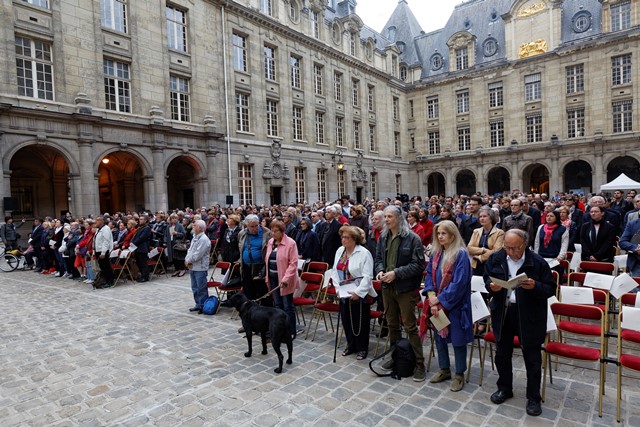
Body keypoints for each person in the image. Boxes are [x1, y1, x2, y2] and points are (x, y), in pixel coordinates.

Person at [484, 229, 557, 417]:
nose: (510, 251)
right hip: (504, 311)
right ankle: (504, 387)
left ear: (524, 244)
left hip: (529, 314)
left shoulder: (537, 262)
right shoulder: (498, 257)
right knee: (502, 353)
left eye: (514, 248)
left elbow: (550, 288)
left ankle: (533, 397)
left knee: (532, 358)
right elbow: (487, 277)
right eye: (507, 247)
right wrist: (491, 287)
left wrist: (535, 286)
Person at [375, 205, 427, 382]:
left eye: (389, 216)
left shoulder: (412, 239)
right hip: (387, 288)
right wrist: (380, 271)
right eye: (385, 217)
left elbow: (419, 265)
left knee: (410, 326)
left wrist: (396, 273)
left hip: (405, 289)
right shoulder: (383, 237)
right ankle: (396, 356)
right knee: (392, 324)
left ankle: (419, 363)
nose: (386, 220)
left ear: (398, 218)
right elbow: (379, 259)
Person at [420, 221, 473, 391]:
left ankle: (459, 373)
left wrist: (440, 300)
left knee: (458, 340)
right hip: (437, 304)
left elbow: (459, 283)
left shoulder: (461, 254)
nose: (440, 237)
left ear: (452, 235)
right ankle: (444, 369)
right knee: (439, 337)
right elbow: (429, 275)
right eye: (438, 234)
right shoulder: (436, 253)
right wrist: (431, 296)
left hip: (456, 305)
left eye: (444, 233)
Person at [333, 225, 377, 360]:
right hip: (344, 292)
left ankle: (362, 348)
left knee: (360, 322)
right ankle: (350, 345)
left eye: (346, 237)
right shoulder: (340, 251)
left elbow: (368, 276)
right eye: (342, 237)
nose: (343, 240)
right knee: (346, 320)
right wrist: (337, 289)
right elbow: (335, 270)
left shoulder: (364, 253)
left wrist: (358, 292)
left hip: (359, 293)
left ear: (354, 239)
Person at [265, 220, 299, 338]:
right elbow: (268, 260)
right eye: (272, 231)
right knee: (278, 305)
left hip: (285, 280)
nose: (273, 234)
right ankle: (280, 329)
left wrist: (285, 279)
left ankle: (291, 331)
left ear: (282, 231)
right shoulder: (270, 242)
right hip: (273, 277)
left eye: (276, 231)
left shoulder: (290, 243)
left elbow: (293, 263)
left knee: (287, 306)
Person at [238, 214, 271, 302]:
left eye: (256, 225)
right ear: (247, 225)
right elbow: (240, 247)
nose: (255, 228)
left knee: (262, 291)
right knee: (248, 290)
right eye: (252, 226)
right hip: (246, 266)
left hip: (260, 267)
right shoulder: (242, 233)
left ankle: (264, 311)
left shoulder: (266, 233)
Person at [467, 207, 505, 276]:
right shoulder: (476, 231)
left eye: (484, 216)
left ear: (491, 218)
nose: (482, 218)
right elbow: (469, 248)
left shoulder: (499, 233)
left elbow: (496, 251)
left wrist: (480, 258)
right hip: (476, 266)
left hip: (492, 265)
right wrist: (483, 250)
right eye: (480, 216)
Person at [185, 220, 211, 313]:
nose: (193, 227)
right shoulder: (195, 237)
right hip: (192, 266)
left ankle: (203, 305)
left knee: (201, 288)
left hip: (200, 267)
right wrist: (187, 259)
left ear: (200, 227)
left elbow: (198, 254)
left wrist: (189, 260)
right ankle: (198, 304)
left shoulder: (204, 239)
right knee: (195, 287)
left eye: (194, 225)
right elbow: (190, 250)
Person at [94, 216, 115, 288]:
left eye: (97, 220)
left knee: (106, 267)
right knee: (102, 267)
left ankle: (110, 281)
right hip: (98, 250)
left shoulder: (106, 229)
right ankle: (104, 280)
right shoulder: (98, 229)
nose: (95, 222)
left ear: (102, 221)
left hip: (103, 251)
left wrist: (103, 252)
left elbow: (106, 241)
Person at [131, 215, 152, 282]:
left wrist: (133, 242)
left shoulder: (147, 228)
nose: (140, 220)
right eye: (139, 219)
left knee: (143, 263)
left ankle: (145, 277)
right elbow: (135, 236)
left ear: (145, 220)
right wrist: (132, 241)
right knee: (139, 263)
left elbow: (141, 238)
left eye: (142, 219)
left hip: (142, 248)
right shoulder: (140, 227)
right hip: (137, 248)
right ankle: (143, 275)